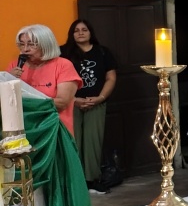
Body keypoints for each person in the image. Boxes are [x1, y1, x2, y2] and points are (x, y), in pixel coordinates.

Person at [60, 19, 117, 193]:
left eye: (84, 29)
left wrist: (100, 98)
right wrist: (74, 99)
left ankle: (92, 179)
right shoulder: (63, 53)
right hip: (71, 103)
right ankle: (74, 181)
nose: (80, 33)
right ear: (72, 34)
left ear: (91, 32)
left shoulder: (103, 52)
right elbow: (58, 79)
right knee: (73, 141)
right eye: (76, 30)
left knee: (93, 142)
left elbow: (111, 78)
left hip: (96, 103)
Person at [7, 24, 82, 136]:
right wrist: (7, 80)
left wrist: (24, 102)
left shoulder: (63, 65)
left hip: (54, 129)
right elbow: (6, 101)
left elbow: (62, 102)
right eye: (22, 45)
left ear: (46, 45)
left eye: (31, 44)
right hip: (23, 129)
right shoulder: (15, 66)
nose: (25, 49)